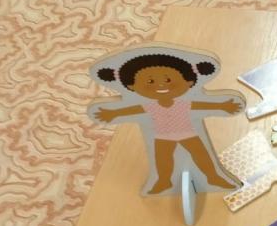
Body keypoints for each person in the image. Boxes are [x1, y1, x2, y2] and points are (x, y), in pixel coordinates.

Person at [92, 51, 243, 193]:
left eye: (168, 80)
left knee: (201, 155)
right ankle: (164, 181)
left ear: (189, 83)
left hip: (188, 134)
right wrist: (113, 113)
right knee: (163, 159)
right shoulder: (150, 106)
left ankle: (213, 177)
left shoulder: (183, 103)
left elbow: (202, 105)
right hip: (163, 137)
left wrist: (222, 106)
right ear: (132, 87)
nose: (160, 85)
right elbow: (133, 110)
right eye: (150, 81)